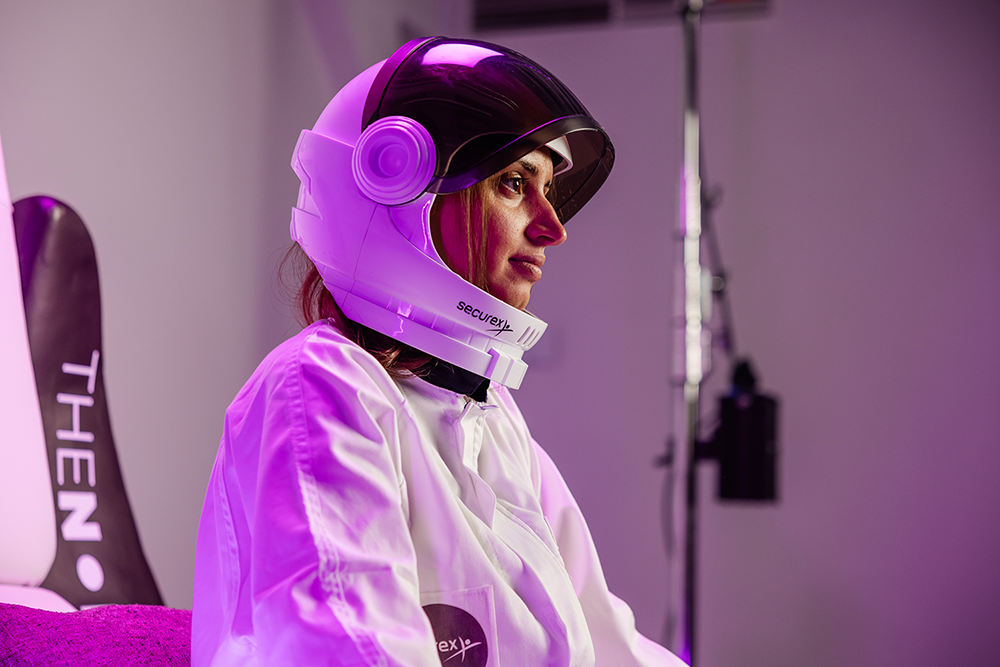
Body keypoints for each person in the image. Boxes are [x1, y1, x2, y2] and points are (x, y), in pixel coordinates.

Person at [192, 36, 688, 667]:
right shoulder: (321, 386)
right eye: (514, 184)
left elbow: (607, 643)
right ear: (395, 186)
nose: (552, 228)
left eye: (548, 191)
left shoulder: (492, 417)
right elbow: (357, 652)